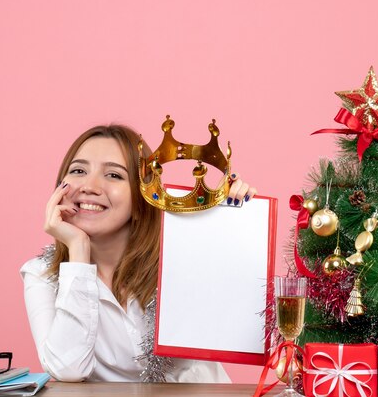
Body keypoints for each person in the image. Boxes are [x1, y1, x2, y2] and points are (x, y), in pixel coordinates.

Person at [20, 124, 257, 382]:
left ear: (141, 195)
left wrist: (235, 222)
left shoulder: (180, 256)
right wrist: (78, 249)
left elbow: (243, 316)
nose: (89, 186)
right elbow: (68, 369)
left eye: (114, 175)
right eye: (78, 170)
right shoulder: (41, 274)